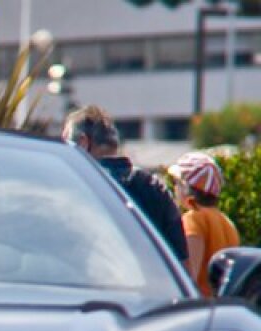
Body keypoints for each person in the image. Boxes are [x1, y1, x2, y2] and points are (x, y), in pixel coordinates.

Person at [62, 105, 189, 267]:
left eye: (66, 142)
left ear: (82, 143)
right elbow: (183, 265)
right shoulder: (154, 187)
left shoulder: (75, 187)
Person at [169, 151, 240, 298]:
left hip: (200, 308)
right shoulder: (227, 223)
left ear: (185, 188)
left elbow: (188, 276)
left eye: (175, 183)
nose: (174, 188)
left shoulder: (193, 219)